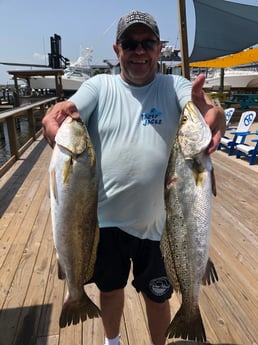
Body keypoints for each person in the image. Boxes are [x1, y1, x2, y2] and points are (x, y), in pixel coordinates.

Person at [42, 10, 226, 345]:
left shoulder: (174, 85)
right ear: (117, 50)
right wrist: (54, 119)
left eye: (147, 43)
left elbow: (203, 107)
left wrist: (217, 114)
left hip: (160, 224)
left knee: (158, 298)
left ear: (158, 48)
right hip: (102, 221)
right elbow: (67, 110)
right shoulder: (100, 86)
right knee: (110, 291)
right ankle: (112, 342)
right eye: (130, 43)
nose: (139, 51)